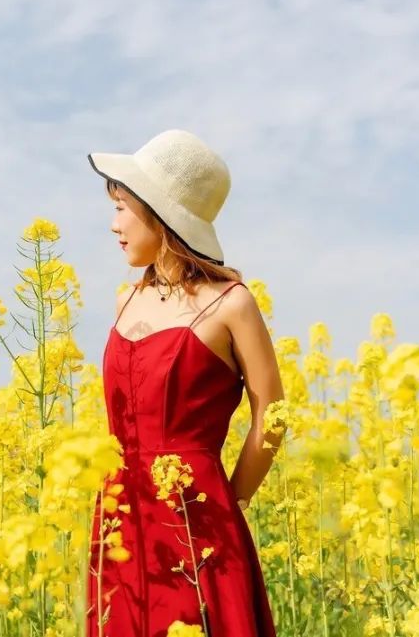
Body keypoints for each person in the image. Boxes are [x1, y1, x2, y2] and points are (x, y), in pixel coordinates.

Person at [84, 129, 284, 636]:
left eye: (123, 208)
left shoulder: (232, 303)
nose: (114, 225)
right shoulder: (123, 300)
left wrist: (229, 505)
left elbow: (273, 415)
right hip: (118, 517)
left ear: (160, 213)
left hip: (199, 519)